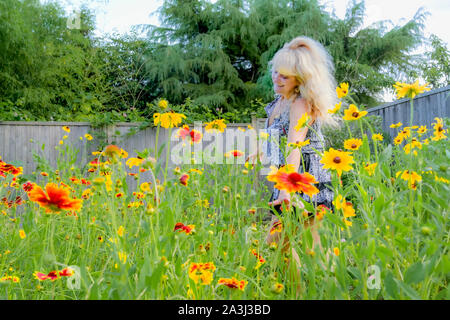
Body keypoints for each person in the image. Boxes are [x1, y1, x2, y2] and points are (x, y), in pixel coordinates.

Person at [247, 36, 338, 277]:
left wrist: (288, 190)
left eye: (284, 76)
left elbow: (294, 146)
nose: (277, 78)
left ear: (300, 79)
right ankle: (305, 289)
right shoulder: (279, 102)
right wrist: (259, 149)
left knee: (296, 243)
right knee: (287, 245)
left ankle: (334, 285)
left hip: (306, 182)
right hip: (287, 181)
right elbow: (274, 132)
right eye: (276, 72)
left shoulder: (300, 104)